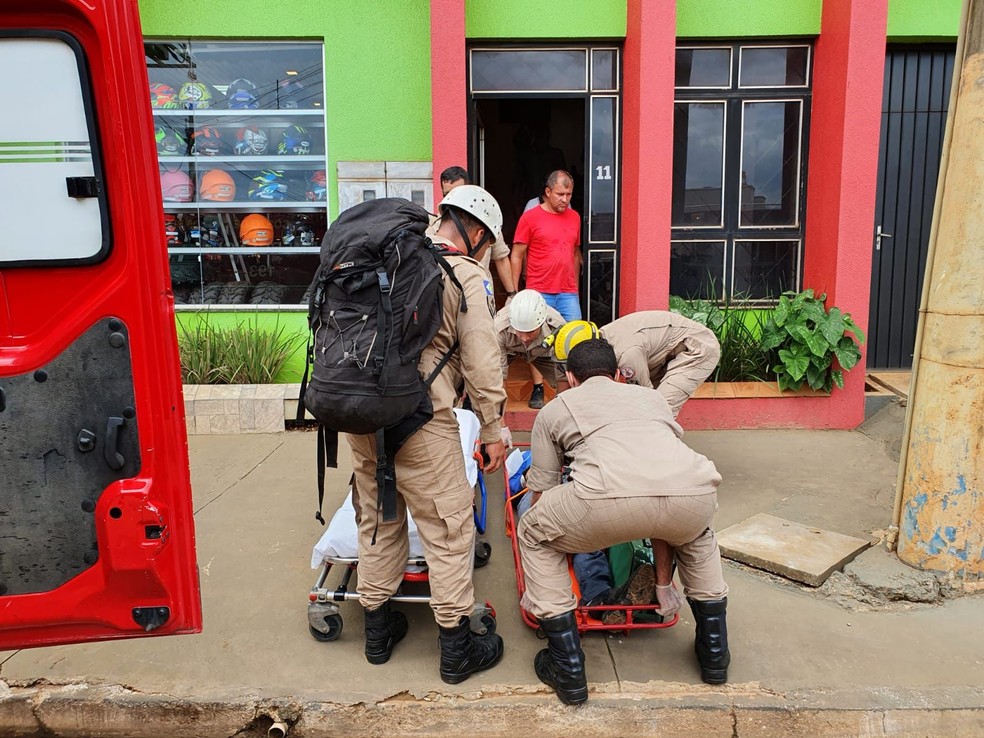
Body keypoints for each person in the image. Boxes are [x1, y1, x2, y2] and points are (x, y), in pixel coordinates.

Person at [347, 184, 507, 685]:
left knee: (378, 519)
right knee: (449, 530)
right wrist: (493, 427)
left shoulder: (379, 261)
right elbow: (481, 357)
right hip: (423, 422)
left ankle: (377, 634)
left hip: (362, 418)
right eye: (488, 242)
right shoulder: (463, 273)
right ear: (476, 231)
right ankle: (457, 651)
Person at [517, 338, 730, 705]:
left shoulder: (557, 407)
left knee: (534, 532)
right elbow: (659, 489)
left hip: (603, 497)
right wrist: (665, 582)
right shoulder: (653, 399)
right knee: (694, 534)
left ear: (569, 377)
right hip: (693, 493)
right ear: (617, 374)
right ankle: (715, 657)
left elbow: (544, 489)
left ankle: (567, 667)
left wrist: (554, 544)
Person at [510, 170, 582, 408]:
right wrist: (515, 292)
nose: (565, 199)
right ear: (548, 192)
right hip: (539, 291)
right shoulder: (530, 218)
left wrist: (575, 289)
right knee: (535, 343)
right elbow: (517, 255)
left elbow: (574, 253)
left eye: (569, 194)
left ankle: (571, 394)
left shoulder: (574, 218)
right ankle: (539, 388)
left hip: (567, 292)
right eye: (560, 194)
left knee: (574, 342)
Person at [600, 311, 721, 418]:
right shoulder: (600, 337)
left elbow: (644, 395)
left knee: (660, 410)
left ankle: (660, 442)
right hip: (665, 353)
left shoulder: (626, 354)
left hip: (698, 348)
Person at [495, 289, 568, 446]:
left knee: (570, 381)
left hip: (543, 353)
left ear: (541, 323)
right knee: (483, 377)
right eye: (520, 332)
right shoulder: (498, 327)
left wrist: (560, 419)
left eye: (530, 332)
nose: (525, 338)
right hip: (510, 350)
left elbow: (563, 378)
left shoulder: (557, 326)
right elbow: (498, 378)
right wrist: (500, 426)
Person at [431, 166, 517, 298]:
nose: (452, 199)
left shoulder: (487, 222)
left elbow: (501, 258)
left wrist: (511, 295)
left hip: (481, 293)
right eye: (447, 194)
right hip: (449, 297)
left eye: (457, 193)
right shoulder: (434, 227)